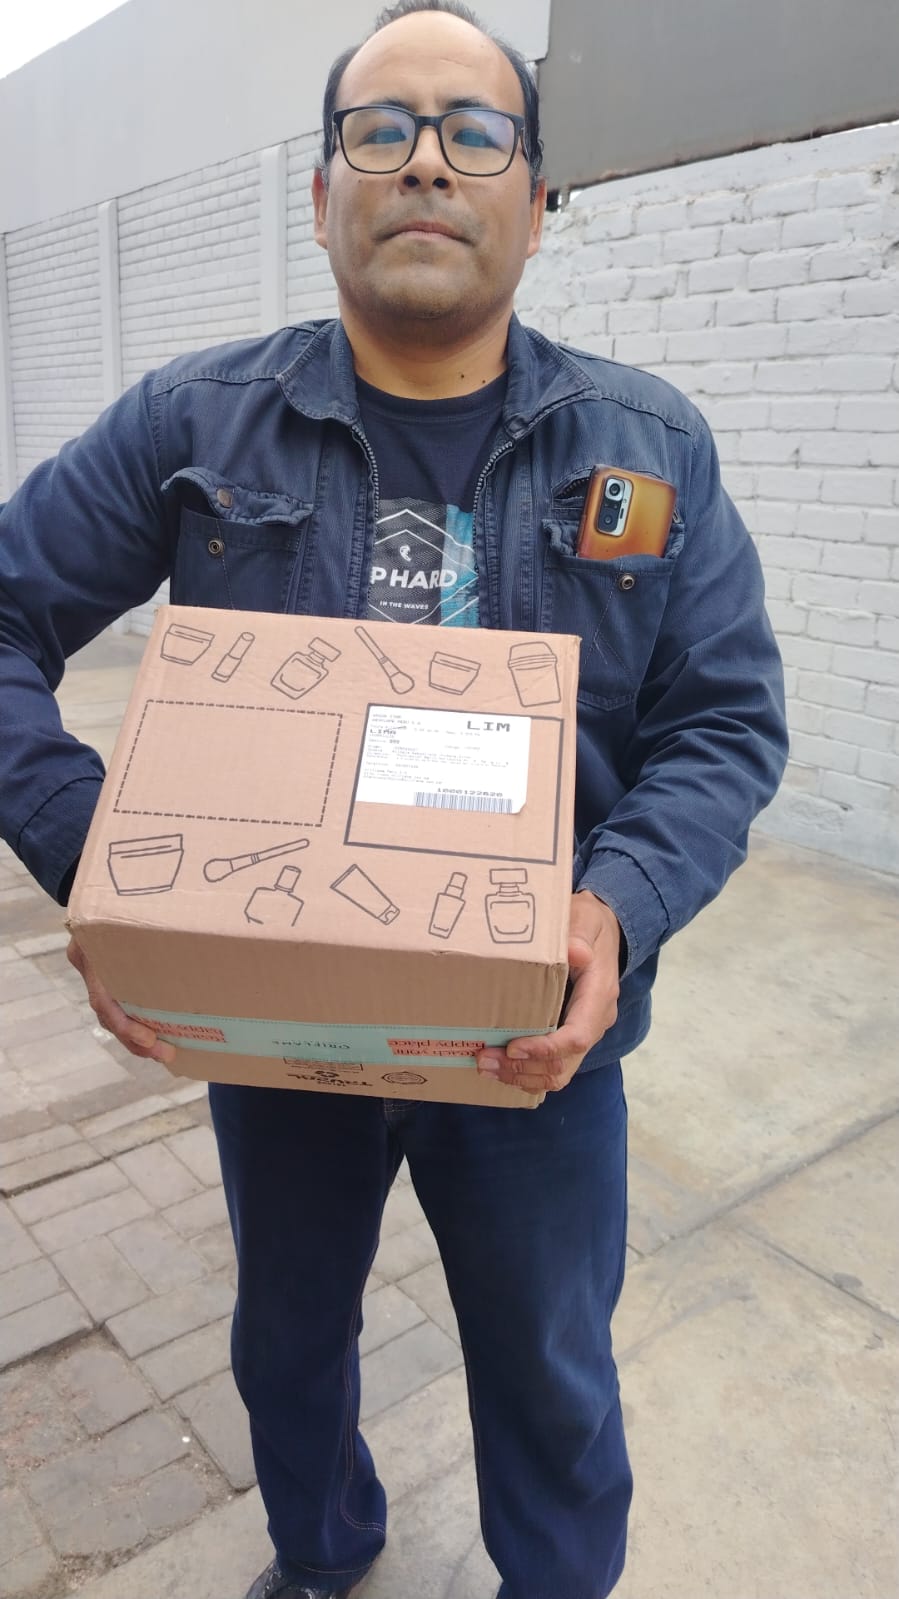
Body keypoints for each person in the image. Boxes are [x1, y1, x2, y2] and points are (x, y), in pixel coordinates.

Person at [0, 3, 788, 1595]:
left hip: (535, 1037)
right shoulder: (195, 424)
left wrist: (615, 906)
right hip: (279, 1032)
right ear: (321, 196)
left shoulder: (646, 453)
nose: (427, 162)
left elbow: (724, 723)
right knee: (288, 1342)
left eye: (474, 132)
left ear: (537, 204)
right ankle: (323, 1552)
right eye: (382, 130)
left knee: (552, 1365)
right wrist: (106, 860)